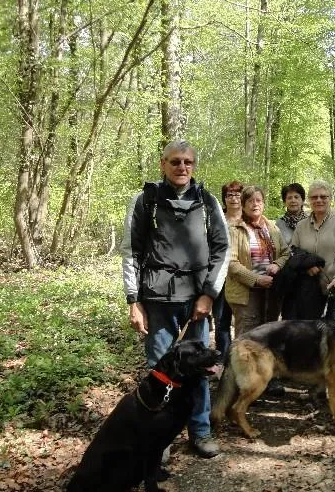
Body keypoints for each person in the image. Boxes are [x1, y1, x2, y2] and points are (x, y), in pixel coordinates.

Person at [120, 140, 229, 459]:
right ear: (162, 164)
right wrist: (132, 300)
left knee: (198, 369)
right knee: (159, 371)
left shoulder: (208, 202)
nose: (182, 167)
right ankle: (160, 436)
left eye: (188, 162)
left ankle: (200, 430)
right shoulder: (146, 200)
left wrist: (208, 294)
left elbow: (222, 251)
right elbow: (131, 251)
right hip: (157, 299)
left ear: (194, 166)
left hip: (197, 301)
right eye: (175, 162)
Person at [226, 185, 290, 335]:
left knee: (268, 336)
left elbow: (286, 253)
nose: (255, 204)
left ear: (263, 204)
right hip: (246, 293)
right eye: (250, 201)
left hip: (271, 291)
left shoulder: (272, 228)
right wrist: (256, 279)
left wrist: (277, 264)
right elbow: (231, 263)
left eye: (258, 200)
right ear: (243, 204)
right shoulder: (234, 229)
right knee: (247, 338)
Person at [290, 180, 335, 320]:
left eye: (323, 196)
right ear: (309, 201)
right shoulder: (301, 226)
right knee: (311, 335)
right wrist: (307, 268)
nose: (319, 200)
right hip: (309, 290)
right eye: (314, 197)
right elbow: (294, 253)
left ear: (330, 199)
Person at [213, 180, 244, 361]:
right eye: (229, 195)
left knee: (244, 321)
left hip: (244, 278)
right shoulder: (217, 220)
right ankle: (223, 362)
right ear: (224, 199)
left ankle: (241, 360)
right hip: (221, 278)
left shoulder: (249, 220)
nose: (233, 199)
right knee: (222, 321)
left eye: (237, 195)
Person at [275, 182, 308, 247]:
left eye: (296, 197)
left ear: (302, 201)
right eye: (289, 198)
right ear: (285, 202)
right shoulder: (278, 225)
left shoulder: (311, 222)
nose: (293, 200)